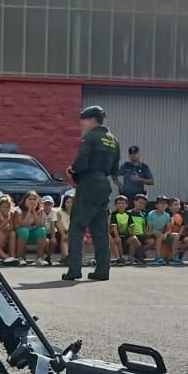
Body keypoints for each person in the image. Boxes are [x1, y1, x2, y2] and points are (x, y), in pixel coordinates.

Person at [62, 104, 120, 281]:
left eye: (84, 120)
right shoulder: (113, 140)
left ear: (92, 120)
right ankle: (102, 270)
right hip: (104, 184)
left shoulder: (90, 138)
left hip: (89, 183)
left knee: (77, 227)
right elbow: (114, 168)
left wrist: (73, 171)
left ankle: (74, 270)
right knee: (100, 230)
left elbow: (82, 161)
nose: (82, 124)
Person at [144, 195, 180, 265]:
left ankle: (172, 257)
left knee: (175, 235)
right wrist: (156, 233)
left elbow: (169, 229)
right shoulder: (151, 214)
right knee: (159, 235)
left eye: (165, 203)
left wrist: (166, 234)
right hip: (152, 233)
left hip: (162, 233)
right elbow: (149, 229)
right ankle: (157, 257)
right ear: (156, 205)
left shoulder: (167, 215)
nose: (163, 205)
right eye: (161, 203)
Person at [15, 191, 48, 265]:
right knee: (24, 230)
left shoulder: (40, 210)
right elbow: (23, 224)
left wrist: (34, 211)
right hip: (21, 234)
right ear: (25, 200)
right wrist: (29, 211)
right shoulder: (18, 209)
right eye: (29, 199)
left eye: (34, 199)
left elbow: (39, 224)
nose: (32, 201)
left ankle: (40, 258)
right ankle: (20, 257)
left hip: (33, 234)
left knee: (42, 230)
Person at [0, 195, 19, 264]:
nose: (5, 209)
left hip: (7, 231)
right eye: (3, 207)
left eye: (7, 207)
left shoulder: (12, 214)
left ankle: (12, 255)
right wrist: (6, 220)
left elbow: (12, 227)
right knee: (1, 234)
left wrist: (8, 227)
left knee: (13, 233)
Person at [125, 192, 150, 264]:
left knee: (151, 241)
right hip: (130, 235)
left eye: (143, 204)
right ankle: (131, 258)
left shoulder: (143, 215)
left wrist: (147, 234)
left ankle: (139, 254)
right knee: (135, 240)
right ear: (135, 202)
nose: (141, 205)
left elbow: (144, 227)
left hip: (141, 235)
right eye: (140, 202)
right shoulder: (128, 213)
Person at [109, 195, 133, 265]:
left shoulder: (128, 214)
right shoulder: (114, 214)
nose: (121, 205)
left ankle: (130, 258)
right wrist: (116, 236)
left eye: (123, 203)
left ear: (126, 205)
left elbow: (131, 225)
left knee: (135, 240)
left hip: (125, 234)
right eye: (119, 203)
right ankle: (119, 258)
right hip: (114, 234)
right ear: (115, 205)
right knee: (117, 240)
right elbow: (114, 226)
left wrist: (132, 234)